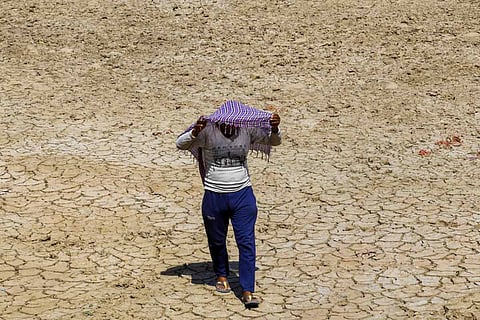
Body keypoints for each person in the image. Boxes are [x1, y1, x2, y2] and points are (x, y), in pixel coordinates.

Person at [176, 100, 281, 308]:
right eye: (227, 123)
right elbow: (180, 143)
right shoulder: (208, 131)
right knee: (217, 240)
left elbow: (273, 141)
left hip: (243, 195)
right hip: (214, 195)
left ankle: (248, 290)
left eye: (234, 123)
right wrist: (195, 133)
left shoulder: (247, 130)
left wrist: (275, 128)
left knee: (246, 242)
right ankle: (221, 274)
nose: (231, 127)